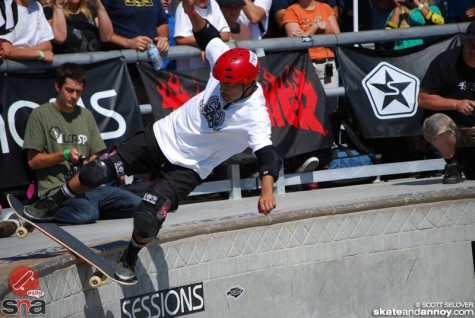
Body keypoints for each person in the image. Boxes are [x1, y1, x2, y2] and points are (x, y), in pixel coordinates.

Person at [23, 0, 281, 282]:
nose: (222, 88)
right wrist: (192, 11)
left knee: (148, 216)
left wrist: (266, 191)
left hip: (190, 167)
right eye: (220, 82)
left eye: (229, 87)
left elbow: (268, 156)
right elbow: (207, 35)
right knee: (96, 171)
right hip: (161, 136)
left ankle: (129, 256)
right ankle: (51, 203)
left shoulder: (255, 115)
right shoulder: (225, 62)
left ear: (247, 84)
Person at [0, 63, 141, 238]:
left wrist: (91, 164)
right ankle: (41, 211)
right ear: (57, 87)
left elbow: (95, 153)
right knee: (86, 214)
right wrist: (64, 155)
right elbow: (33, 161)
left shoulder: (86, 115)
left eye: (78, 92)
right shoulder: (41, 115)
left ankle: (90, 209)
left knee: (137, 205)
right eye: (69, 90)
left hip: (90, 190)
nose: (74, 96)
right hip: (57, 192)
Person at [418, 21, 475, 184]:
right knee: (437, 124)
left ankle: (468, 160)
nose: (472, 50)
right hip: (452, 127)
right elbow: (422, 99)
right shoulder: (445, 62)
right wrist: (456, 104)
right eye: (470, 43)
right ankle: (452, 165)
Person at [283, 0, 340, 89]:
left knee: (331, 102)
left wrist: (305, 34)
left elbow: (337, 36)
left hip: (328, 63)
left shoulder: (325, 7)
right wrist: (315, 27)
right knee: (311, 101)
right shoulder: (291, 11)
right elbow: (296, 42)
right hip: (305, 64)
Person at [174, 0, 230, 70]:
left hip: (213, 69)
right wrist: (206, 43)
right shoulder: (184, 6)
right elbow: (180, 39)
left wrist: (208, 44)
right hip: (190, 72)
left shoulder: (213, 3)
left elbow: (226, 35)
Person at [43, 0, 113, 54]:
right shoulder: (49, 11)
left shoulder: (90, 10)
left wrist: (99, 7)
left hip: (93, 67)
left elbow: (107, 37)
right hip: (67, 69)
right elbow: (59, 38)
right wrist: (59, 6)